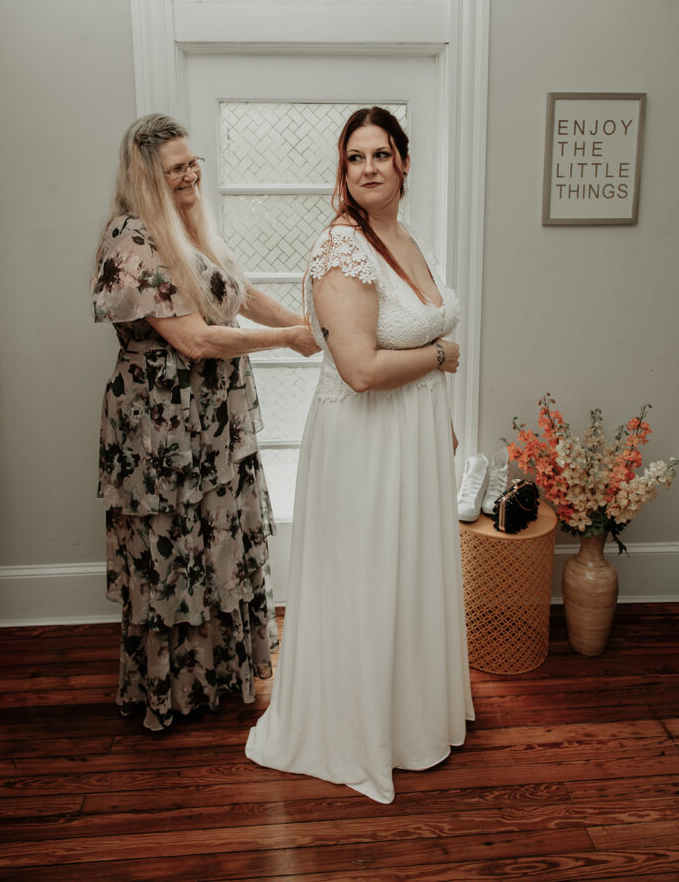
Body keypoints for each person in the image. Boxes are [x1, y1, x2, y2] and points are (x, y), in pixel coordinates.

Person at [246, 107, 474, 803]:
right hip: (365, 442)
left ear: (404, 162)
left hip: (413, 435)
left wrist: (447, 425)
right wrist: (441, 356)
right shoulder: (340, 247)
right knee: (367, 574)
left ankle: (410, 718)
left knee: (406, 571)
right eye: (354, 158)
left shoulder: (403, 235)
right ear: (343, 172)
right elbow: (362, 369)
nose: (368, 167)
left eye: (380, 153)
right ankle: (356, 727)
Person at [92, 113, 318, 731]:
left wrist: (308, 325)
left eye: (193, 162)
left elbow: (238, 292)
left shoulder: (187, 228)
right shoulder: (130, 241)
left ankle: (220, 674)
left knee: (217, 540)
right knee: (172, 550)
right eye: (176, 168)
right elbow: (193, 341)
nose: (191, 173)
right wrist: (287, 340)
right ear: (145, 179)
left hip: (213, 422)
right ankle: (171, 688)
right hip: (160, 429)